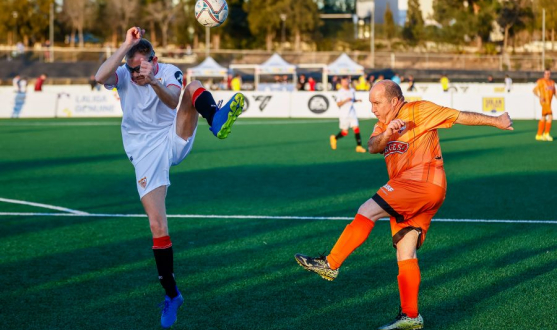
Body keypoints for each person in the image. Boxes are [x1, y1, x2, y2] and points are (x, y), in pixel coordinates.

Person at [295, 80, 513, 330]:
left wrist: (496, 121)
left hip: (421, 181)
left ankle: (331, 264)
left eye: (377, 103)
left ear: (395, 100)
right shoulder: (383, 124)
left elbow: (460, 116)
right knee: (405, 251)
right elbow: (372, 146)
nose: (373, 109)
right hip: (418, 192)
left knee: (367, 210)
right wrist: (388, 133)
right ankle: (411, 316)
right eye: (370, 103)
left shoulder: (419, 110)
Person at [94, 27, 244, 329]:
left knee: (193, 86)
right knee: (157, 225)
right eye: (131, 67)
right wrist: (126, 45)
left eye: (141, 67)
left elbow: (173, 100)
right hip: (144, 152)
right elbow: (99, 77)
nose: (135, 73)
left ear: (154, 60)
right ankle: (172, 295)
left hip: (173, 136)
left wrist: (150, 81)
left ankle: (215, 118)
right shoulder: (123, 75)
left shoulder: (168, 72)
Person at [330, 77, 366, 153]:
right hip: (344, 114)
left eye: (346, 81)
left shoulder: (352, 90)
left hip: (352, 113)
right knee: (345, 132)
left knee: (356, 128)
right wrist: (346, 100)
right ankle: (334, 138)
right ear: (341, 83)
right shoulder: (340, 92)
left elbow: (352, 100)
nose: (345, 83)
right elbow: (338, 104)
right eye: (343, 82)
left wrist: (357, 100)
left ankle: (359, 146)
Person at [533, 69, 555, 141]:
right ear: (544, 74)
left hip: (549, 102)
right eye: (546, 74)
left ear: (550, 74)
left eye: (548, 74)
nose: (547, 75)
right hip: (544, 102)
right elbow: (534, 90)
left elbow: (554, 92)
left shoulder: (552, 82)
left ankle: (539, 135)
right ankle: (546, 134)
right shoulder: (541, 81)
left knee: (543, 117)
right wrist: (540, 97)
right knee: (550, 116)